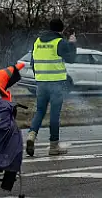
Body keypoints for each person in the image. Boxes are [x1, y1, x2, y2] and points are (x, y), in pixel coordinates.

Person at [26, 18, 77, 157]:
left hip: (41, 83)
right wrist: (73, 44)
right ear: (61, 30)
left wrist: (39, 77)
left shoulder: (37, 42)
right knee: (54, 115)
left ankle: (31, 135)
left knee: (40, 111)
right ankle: (53, 146)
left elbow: (32, 63)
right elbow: (72, 59)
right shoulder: (59, 42)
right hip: (56, 84)